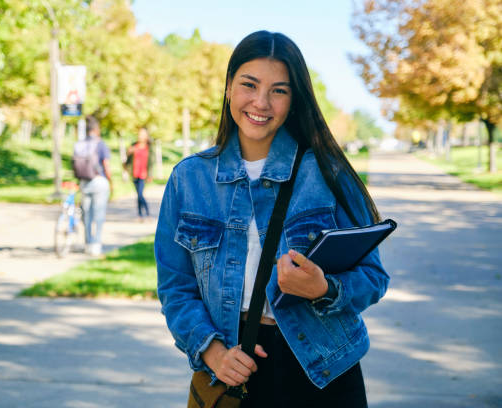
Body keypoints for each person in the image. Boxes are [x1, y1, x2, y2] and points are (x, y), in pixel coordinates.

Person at [154, 31, 389, 407]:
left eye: (279, 90)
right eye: (249, 84)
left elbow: (374, 278)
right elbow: (175, 288)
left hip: (325, 369)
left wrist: (323, 288)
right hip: (235, 366)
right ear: (229, 87)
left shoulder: (327, 173)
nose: (261, 102)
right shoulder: (189, 178)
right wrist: (213, 353)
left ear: (294, 100)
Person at [77, 115, 112, 256]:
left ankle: (87, 243)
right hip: (98, 181)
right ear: (96, 130)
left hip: (84, 182)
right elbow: (106, 164)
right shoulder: (100, 144)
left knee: (86, 214)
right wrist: (110, 180)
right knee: (98, 213)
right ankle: (96, 244)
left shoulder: (79, 144)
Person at [125, 127, 153, 221]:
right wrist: (128, 152)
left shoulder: (149, 147)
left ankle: (148, 213)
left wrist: (150, 174)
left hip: (143, 174)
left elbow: (150, 162)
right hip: (134, 173)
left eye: (142, 134)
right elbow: (128, 158)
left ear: (146, 136)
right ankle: (140, 215)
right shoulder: (134, 145)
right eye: (139, 134)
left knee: (140, 194)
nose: (140, 136)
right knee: (138, 194)